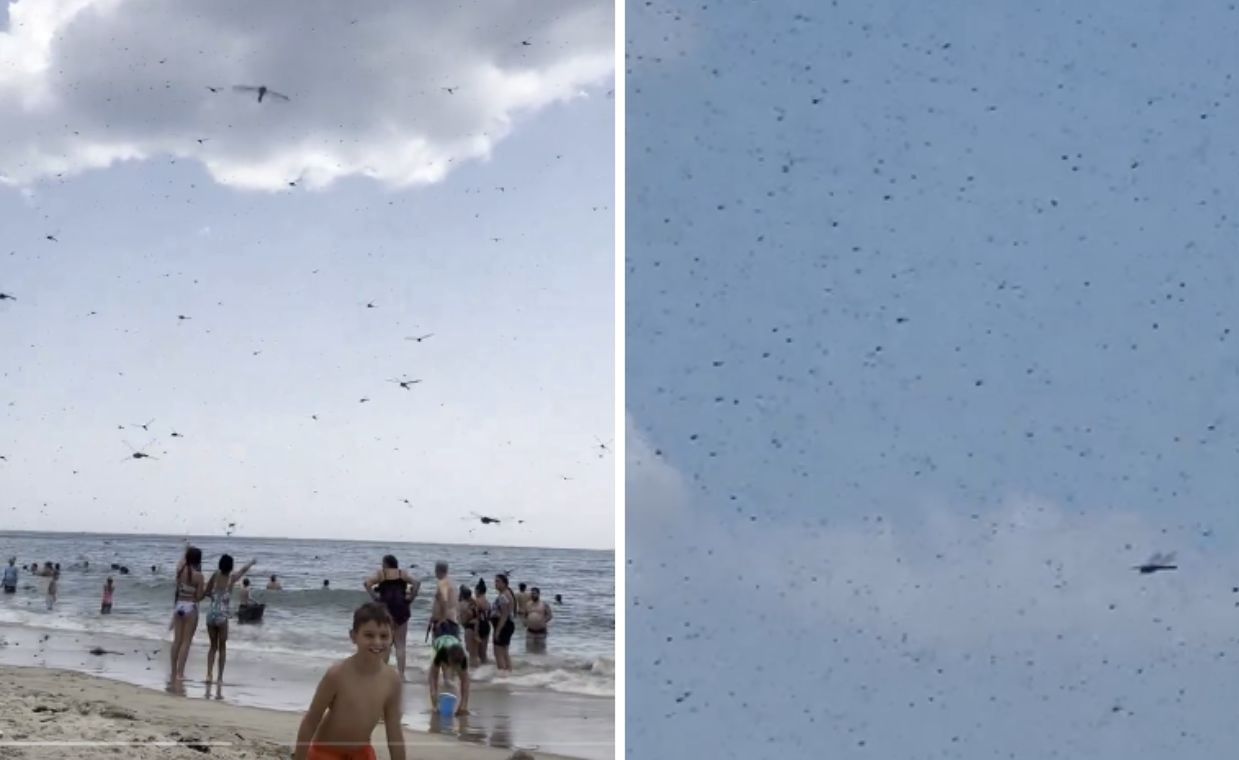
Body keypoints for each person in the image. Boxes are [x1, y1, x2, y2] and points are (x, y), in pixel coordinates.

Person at [294, 602, 405, 760]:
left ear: (392, 636)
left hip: (362, 754)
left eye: (384, 636)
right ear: (353, 637)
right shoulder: (337, 675)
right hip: (325, 753)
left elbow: (394, 731)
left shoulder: (392, 680)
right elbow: (311, 720)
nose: (377, 642)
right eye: (369, 635)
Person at [363, 555, 420, 678]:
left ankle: (383, 673)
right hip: (402, 609)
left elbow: (367, 584)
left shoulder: (381, 574)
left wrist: (374, 597)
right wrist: (411, 598)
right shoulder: (402, 573)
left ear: (386, 564)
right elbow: (416, 583)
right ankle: (401, 675)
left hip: (386, 610)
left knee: (386, 643)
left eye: (383, 563)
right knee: (401, 644)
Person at [204, 554, 256, 684]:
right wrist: (251, 563)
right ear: (231, 566)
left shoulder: (215, 575)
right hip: (222, 616)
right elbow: (242, 571)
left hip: (211, 615)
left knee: (212, 647)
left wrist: (214, 597)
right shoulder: (231, 579)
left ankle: (209, 674)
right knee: (222, 647)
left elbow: (206, 592)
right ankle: (220, 678)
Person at [169, 546, 205, 681]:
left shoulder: (180, 571)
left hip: (179, 606)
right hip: (190, 608)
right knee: (186, 642)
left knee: (176, 641)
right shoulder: (199, 576)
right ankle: (180, 673)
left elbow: (178, 587)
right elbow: (200, 596)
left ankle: (173, 671)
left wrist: (185, 550)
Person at [428, 628, 470, 716]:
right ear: (448, 658)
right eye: (452, 664)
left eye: (456, 666)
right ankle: (437, 699)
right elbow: (433, 676)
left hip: (454, 641)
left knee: (460, 676)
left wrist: (463, 705)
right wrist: (433, 694)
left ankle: (447, 681)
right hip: (439, 642)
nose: (454, 667)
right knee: (437, 672)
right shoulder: (441, 653)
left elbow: (465, 681)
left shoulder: (463, 658)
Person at [491, 574, 517, 673]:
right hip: (507, 624)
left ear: (504, 583)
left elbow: (504, 614)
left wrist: (498, 630)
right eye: (495, 581)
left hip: (503, 625)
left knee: (498, 652)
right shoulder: (508, 593)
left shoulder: (503, 596)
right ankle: (508, 672)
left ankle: (502, 674)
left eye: (498, 581)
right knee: (504, 651)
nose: (495, 584)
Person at [429, 561, 458, 638]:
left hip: (444, 624)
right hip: (452, 621)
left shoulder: (442, 583)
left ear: (437, 570)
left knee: (440, 648)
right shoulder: (451, 583)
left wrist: (442, 619)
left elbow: (444, 601)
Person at [457, 586, 478, 662]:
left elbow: (462, 619)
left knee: (470, 651)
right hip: (475, 627)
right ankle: (479, 671)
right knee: (474, 653)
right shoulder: (472, 602)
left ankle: (475, 671)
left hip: (469, 627)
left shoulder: (461, 604)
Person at [473, 579, 491, 665]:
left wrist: (475, 633)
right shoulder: (487, 602)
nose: (474, 592)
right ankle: (486, 668)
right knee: (484, 652)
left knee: (477, 653)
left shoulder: (477, 601)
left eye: (475, 590)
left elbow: (476, 618)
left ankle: (479, 671)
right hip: (487, 625)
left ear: (478, 591)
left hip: (479, 626)